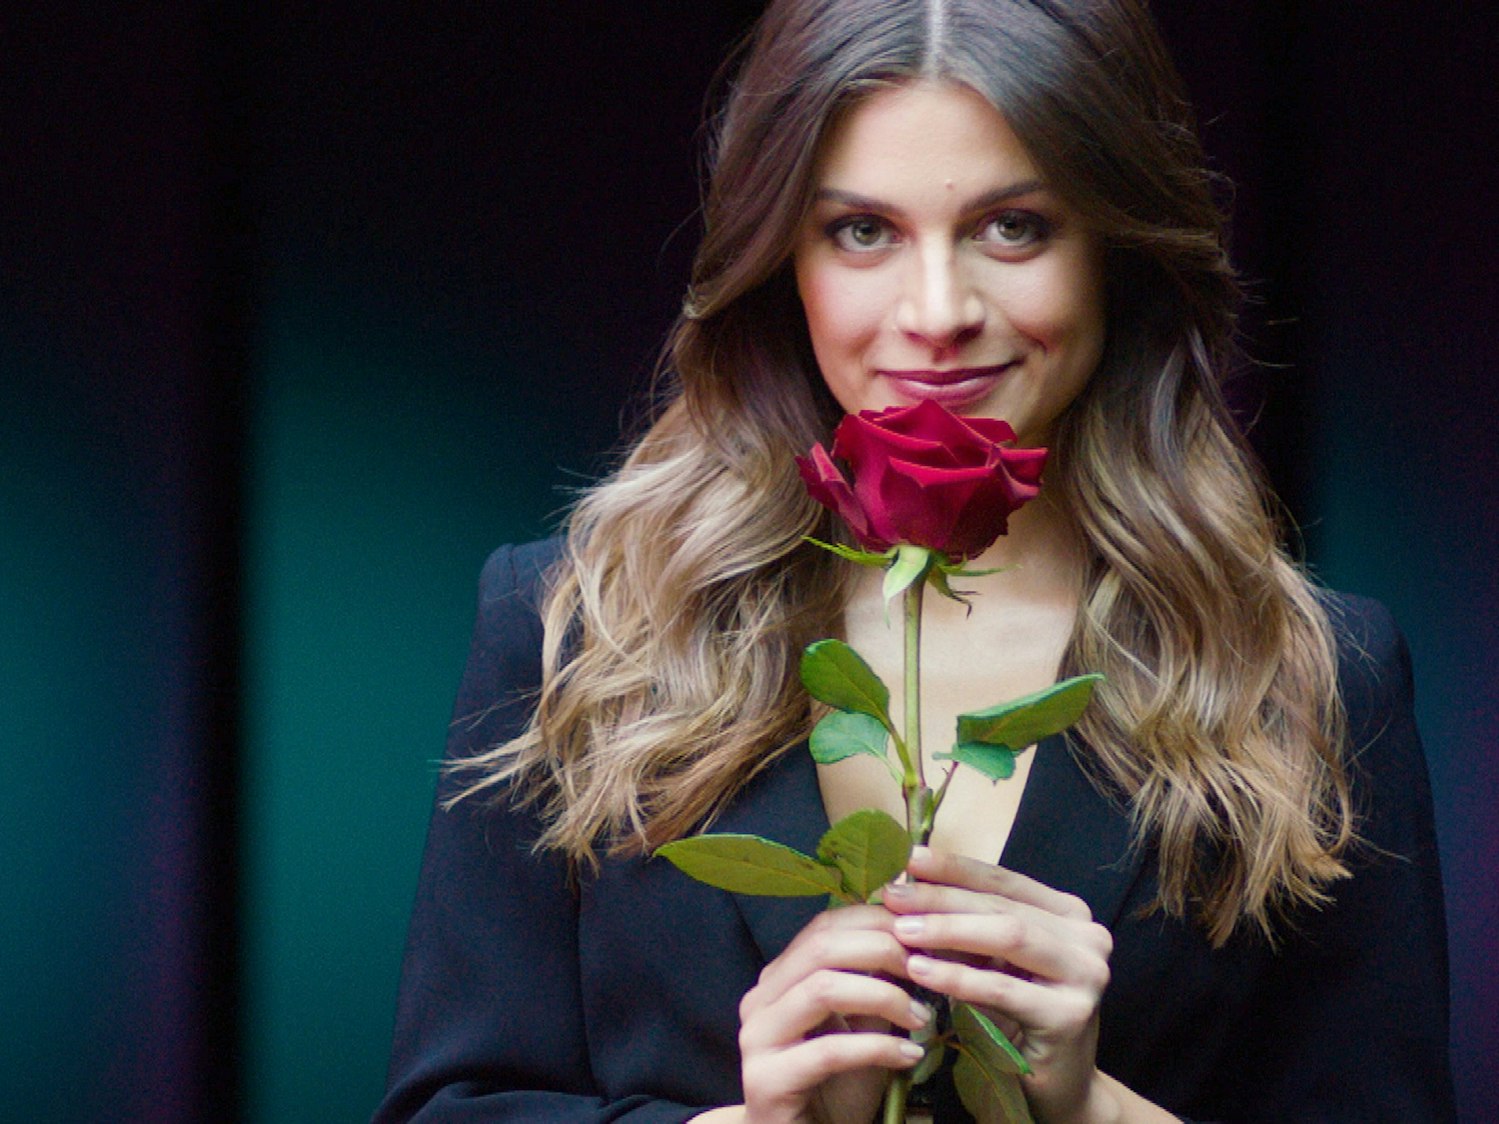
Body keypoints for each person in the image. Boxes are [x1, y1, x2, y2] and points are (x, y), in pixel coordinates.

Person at [374, 1, 1455, 1120]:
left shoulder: (1313, 677)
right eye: (860, 231)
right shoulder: (572, 631)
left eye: (1013, 226)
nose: (936, 312)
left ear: (1115, 252)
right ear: (778, 260)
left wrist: (1092, 1110)